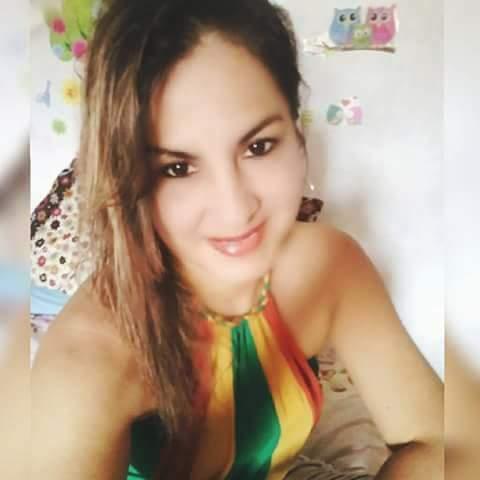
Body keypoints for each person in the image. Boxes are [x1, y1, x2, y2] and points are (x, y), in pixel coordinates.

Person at [31, 0, 443, 479]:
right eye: (177, 168)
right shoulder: (82, 365)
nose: (235, 208)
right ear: (128, 179)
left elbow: (443, 444)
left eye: (258, 146)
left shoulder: (330, 266)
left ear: (297, 134)